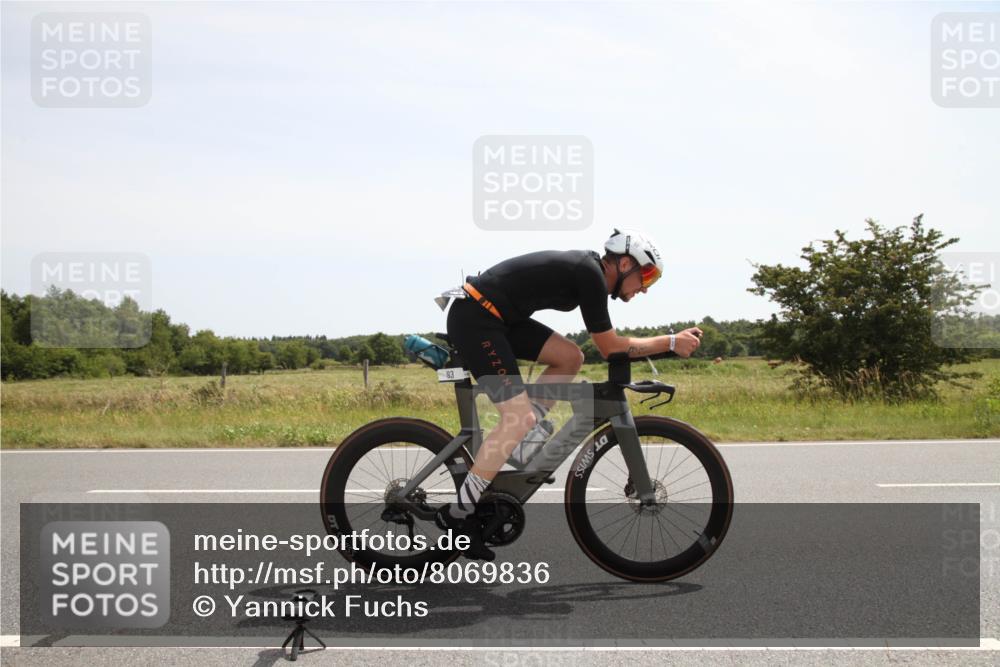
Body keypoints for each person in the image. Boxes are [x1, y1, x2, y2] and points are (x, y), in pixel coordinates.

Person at [437, 229, 703, 559]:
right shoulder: (590, 274)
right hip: (477, 319)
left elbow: (604, 347)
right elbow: (609, 347)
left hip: (498, 317)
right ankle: (458, 515)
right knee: (517, 416)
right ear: (623, 264)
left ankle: (522, 445)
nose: (645, 287)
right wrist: (671, 342)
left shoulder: (590, 273)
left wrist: (669, 344)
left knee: (570, 357)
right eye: (645, 275)